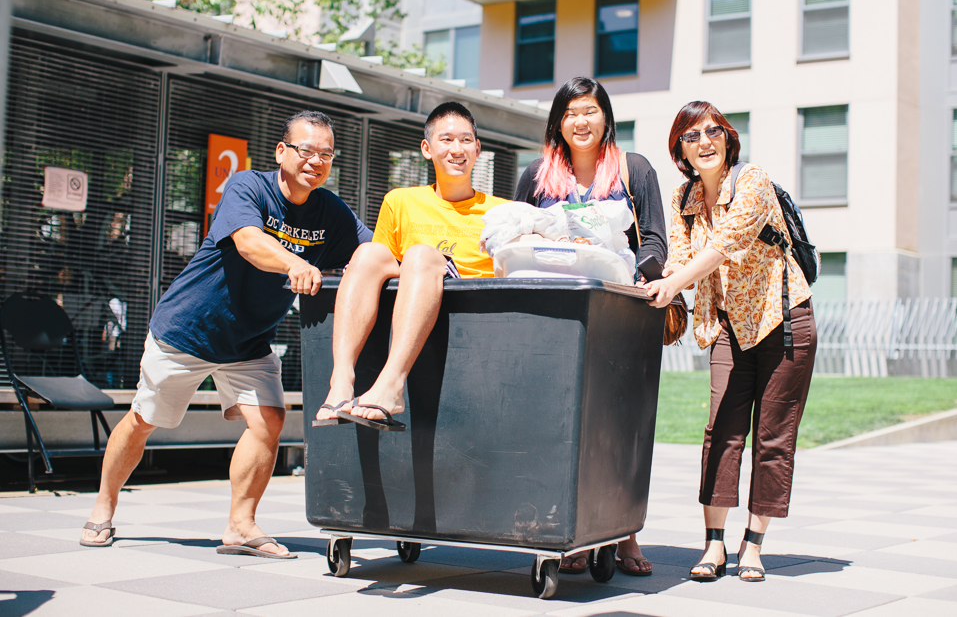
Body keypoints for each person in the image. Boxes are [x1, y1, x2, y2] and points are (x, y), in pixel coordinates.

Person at [80, 111, 372, 556]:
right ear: (282, 151)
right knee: (144, 420)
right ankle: (103, 507)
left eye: (326, 154)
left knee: (270, 422)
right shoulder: (248, 186)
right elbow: (249, 242)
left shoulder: (329, 211)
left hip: (249, 342)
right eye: (306, 150)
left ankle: (240, 525)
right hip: (189, 329)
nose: (316, 160)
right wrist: (295, 262)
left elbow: (370, 251)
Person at [646, 101, 817, 582]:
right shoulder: (684, 198)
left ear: (727, 138)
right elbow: (679, 258)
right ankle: (714, 544)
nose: (704, 142)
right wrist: (658, 283)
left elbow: (725, 246)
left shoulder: (753, 180)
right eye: (692, 135)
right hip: (728, 327)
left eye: (712, 132)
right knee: (720, 431)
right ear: (680, 148)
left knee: (773, 437)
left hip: (783, 320)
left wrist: (673, 284)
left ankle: (754, 545)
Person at [514, 75, 666, 578]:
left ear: (606, 118)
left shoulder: (633, 169)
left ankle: (624, 533)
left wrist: (628, 278)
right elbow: (519, 233)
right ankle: (570, 533)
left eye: (590, 111)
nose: (581, 121)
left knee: (614, 422)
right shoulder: (536, 175)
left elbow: (656, 244)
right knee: (556, 422)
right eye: (570, 112)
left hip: (616, 312)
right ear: (558, 121)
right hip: (552, 315)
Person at [314, 102, 505, 429]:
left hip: (463, 304)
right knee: (366, 254)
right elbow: (379, 265)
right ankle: (341, 382)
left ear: (478, 148)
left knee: (420, 253)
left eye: (466, 140)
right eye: (446, 140)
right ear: (427, 149)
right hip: (412, 294)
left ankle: (391, 385)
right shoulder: (400, 200)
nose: (457, 149)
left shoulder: (502, 211)